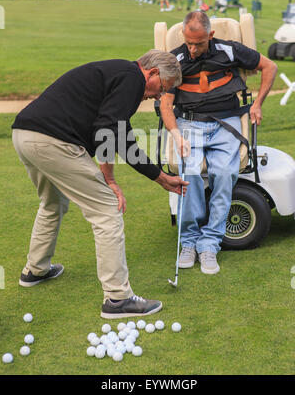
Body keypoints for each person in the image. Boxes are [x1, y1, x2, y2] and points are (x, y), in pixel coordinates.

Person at [12, 49, 189, 319]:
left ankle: (35, 270)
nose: (157, 96)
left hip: (24, 135)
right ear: (152, 73)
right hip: (53, 141)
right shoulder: (133, 79)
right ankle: (118, 299)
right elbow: (109, 131)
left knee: (52, 202)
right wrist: (151, 178)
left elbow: (115, 131)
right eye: (162, 88)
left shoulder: (120, 74)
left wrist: (122, 178)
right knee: (107, 210)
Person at [160, 11, 277, 275]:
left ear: (210, 36)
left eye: (198, 44)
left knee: (224, 174)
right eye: (188, 42)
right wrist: (176, 134)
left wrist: (257, 104)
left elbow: (270, 67)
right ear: (183, 36)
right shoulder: (175, 60)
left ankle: (210, 243)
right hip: (189, 124)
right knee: (189, 173)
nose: (192, 49)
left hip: (227, 124)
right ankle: (188, 242)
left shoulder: (229, 51)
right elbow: (166, 105)